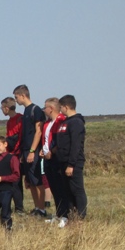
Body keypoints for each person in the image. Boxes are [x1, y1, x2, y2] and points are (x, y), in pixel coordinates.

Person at [52, 95, 87, 225]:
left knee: (77, 190)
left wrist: (71, 164)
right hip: (62, 162)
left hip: (73, 162)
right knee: (67, 191)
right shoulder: (65, 122)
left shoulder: (76, 122)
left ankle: (81, 217)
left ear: (66, 107)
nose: (60, 110)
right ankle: (71, 216)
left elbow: (75, 145)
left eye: (61, 107)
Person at [13, 84, 47, 217]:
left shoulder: (35, 110)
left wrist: (32, 151)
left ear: (23, 95)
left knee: (37, 180)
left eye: (16, 97)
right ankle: (37, 207)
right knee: (30, 180)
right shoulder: (26, 111)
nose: (16, 100)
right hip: (25, 150)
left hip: (33, 150)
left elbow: (38, 131)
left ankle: (42, 209)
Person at [40, 98, 66, 224]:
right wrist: (43, 150)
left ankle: (65, 213)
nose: (44, 110)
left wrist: (52, 151)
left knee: (61, 187)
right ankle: (59, 213)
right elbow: (46, 139)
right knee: (53, 187)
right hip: (46, 158)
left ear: (51, 109)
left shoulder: (61, 121)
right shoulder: (47, 123)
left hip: (55, 158)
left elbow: (59, 140)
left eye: (45, 107)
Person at [0, 136, 21, 231]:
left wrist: (2, 178)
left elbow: (16, 175)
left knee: (6, 213)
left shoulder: (12, 158)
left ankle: (8, 231)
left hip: (7, 190)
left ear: (5, 144)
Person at [1, 97, 25, 214]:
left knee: (17, 181)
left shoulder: (20, 119)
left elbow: (21, 137)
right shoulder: (9, 121)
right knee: (12, 181)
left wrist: (15, 152)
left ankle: (19, 208)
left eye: (2, 108)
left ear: (6, 108)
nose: (1, 110)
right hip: (11, 153)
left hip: (17, 154)